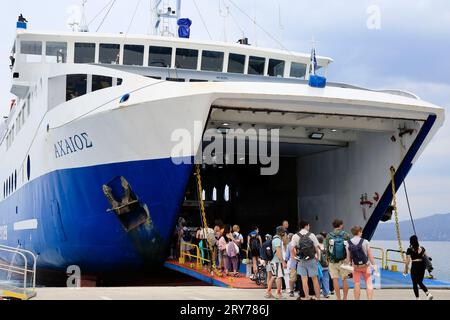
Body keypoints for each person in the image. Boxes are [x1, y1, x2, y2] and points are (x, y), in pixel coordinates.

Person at [291, 221, 321, 300]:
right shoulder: (312, 235)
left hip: (301, 260)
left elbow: (292, 248)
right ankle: (318, 297)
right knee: (315, 279)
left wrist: (295, 258)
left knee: (304, 279)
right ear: (306, 226)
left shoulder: (295, 236)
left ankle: (306, 297)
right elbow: (316, 248)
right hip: (311, 259)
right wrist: (317, 257)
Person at [345, 226, 377, 300]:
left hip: (356, 267)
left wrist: (348, 265)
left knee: (356, 283)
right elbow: (370, 255)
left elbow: (348, 257)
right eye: (361, 231)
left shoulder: (348, 243)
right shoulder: (365, 241)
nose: (362, 233)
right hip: (366, 266)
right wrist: (374, 265)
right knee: (369, 283)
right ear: (359, 232)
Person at [324, 219, 351, 300]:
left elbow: (327, 249)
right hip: (343, 261)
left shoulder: (329, 235)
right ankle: (345, 298)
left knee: (335, 280)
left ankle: (338, 298)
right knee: (344, 279)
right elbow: (349, 248)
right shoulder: (346, 235)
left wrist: (327, 259)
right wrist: (349, 259)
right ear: (341, 225)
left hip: (333, 261)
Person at [404, 235, 433, 300]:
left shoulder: (409, 249)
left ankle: (423, 295)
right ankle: (427, 294)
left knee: (415, 283)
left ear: (411, 241)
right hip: (422, 266)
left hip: (415, 266)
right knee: (420, 282)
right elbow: (427, 257)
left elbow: (407, 261)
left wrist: (405, 269)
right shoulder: (422, 248)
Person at [265, 226, 287, 299]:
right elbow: (278, 252)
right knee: (279, 277)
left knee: (273, 277)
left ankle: (268, 293)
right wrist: (283, 261)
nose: (285, 233)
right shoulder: (277, 240)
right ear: (281, 232)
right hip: (277, 261)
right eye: (284, 232)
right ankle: (278, 294)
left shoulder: (274, 239)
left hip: (273, 261)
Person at [317, 234, 330, 298]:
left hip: (319, 266)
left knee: (318, 279)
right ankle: (326, 293)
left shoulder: (317, 247)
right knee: (326, 280)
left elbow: (318, 258)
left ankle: (317, 292)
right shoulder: (325, 247)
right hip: (326, 265)